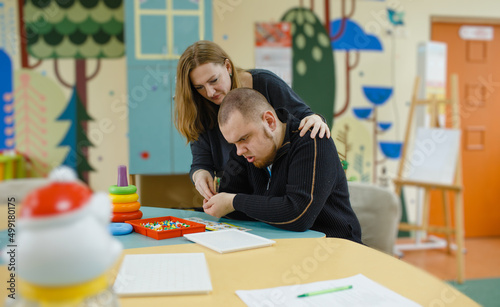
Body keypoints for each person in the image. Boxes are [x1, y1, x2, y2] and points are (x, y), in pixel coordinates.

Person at [175, 40, 331, 201]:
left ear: (227, 67)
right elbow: (201, 162)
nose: (209, 92)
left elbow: (304, 118)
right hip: (236, 192)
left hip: (279, 189)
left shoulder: (265, 83)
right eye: (199, 87)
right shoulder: (198, 107)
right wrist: (200, 175)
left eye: (214, 80)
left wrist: (316, 119)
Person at [202, 88, 362, 242]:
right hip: (281, 246)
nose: (238, 151)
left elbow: (298, 215)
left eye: (244, 138)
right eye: (234, 143)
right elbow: (231, 208)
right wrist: (222, 203)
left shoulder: (312, 139)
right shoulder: (245, 151)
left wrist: (233, 202)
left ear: (270, 122)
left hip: (336, 247)